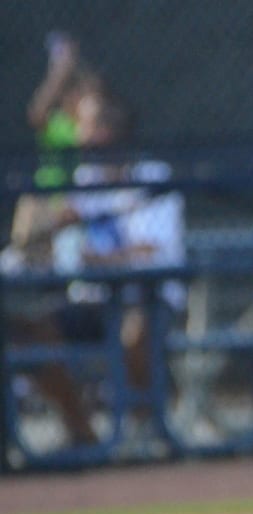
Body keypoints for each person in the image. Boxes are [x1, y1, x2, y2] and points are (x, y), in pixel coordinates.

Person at [5, 59, 185, 451]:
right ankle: (82, 433)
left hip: (147, 301)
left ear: (109, 131)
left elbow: (154, 249)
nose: (80, 135)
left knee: (133, 333)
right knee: (26, 336)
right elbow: (53, 230)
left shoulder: (152, 176)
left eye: (87, 125)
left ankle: (141, 431)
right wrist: (35, 231)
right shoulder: (85, 182)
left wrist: (101, 260)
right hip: (93, 302)